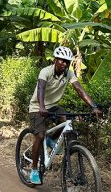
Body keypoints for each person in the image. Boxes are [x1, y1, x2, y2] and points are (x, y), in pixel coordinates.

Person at [28, 46, 102, 184]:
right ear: (55, 60)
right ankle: (33, 170)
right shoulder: (45, 71)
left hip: (54, 107)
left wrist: (94, 107)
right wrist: (42, 107)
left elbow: (80, 90)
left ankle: (53, 140)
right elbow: (41, 89)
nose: (64, 64)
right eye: (62, 61)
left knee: (66, 122)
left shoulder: (69, 74)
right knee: (39, 135)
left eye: (67, 62)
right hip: (37, 107)